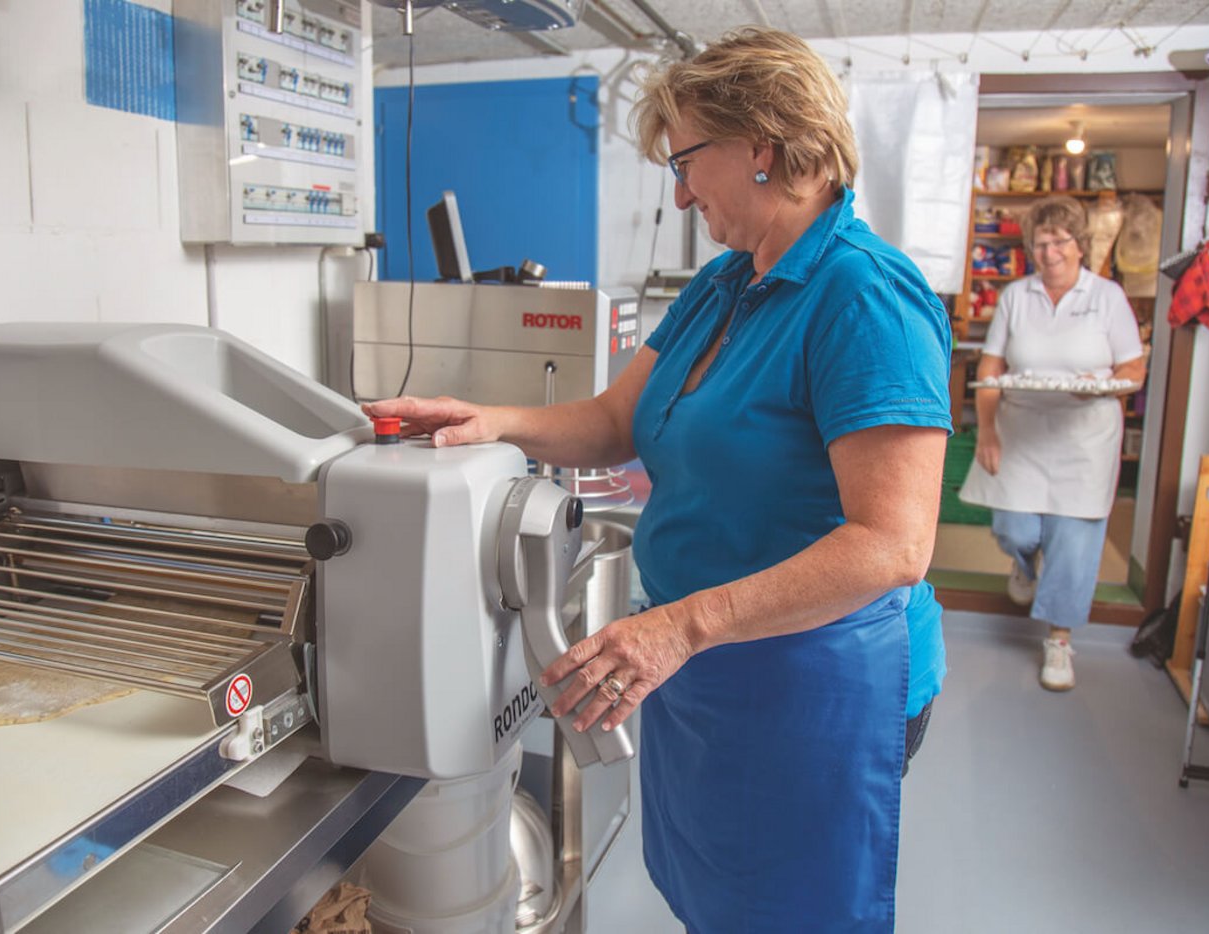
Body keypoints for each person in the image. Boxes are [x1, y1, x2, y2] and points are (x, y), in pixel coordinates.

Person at [365, 27, 951, 932]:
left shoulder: (863, 297)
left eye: (685, 162)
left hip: (807, 680)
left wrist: (683, 626)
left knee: (792, 910)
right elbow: (613, 422)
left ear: (762, 145)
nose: (678, 192)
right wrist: (493, 422)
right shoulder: (724, 284)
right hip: (704, 670)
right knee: (716, 897)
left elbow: (892, 546)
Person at [958, 195, 1146, 692]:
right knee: (1014, 529)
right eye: (1039, 243)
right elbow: (992, 367)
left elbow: (1133, 369)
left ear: (1079, 245)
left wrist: (1102, 381)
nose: (1049, 252)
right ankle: (1023, 566)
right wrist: (989, 431)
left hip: (1085, 439)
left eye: (1059, 241)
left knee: (1074, 539)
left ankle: (1059, 640)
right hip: (1022, 432)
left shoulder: (1106, 297)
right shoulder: (1017, 296)